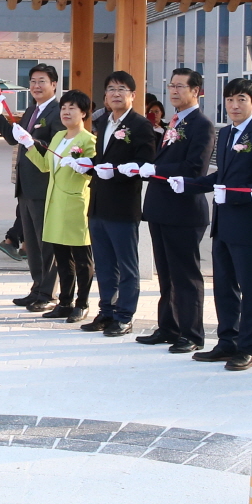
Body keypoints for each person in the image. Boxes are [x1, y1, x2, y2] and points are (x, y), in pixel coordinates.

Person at [187, 76, 252, 369]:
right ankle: (227, 340)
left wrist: (235, 197)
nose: (235, 105)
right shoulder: (225, 134)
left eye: (241, 100)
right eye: (230, 100)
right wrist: (191, 184)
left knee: (249, 286)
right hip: (223, 223)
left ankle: (248, 346)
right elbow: (221, 178)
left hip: (248, 224)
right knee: (224, 284)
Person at [135, 68, 215, 353]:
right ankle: (168, 326)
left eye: (181, 86)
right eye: (172, 86)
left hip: (183, 211)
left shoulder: (201, 125)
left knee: (186, 274)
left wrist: (155, 169)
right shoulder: (174, 123)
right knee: (166, 273)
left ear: (196, 91)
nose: (174, 91)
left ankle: (191, 333)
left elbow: (195, 168)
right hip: (161, 209)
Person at [84, 71, 157, 338]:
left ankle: (124, 314)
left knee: (126, 264)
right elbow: (101, 157)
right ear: (105, 95)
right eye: (111, 89)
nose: (116, 93)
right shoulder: (103, 122)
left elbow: (145, 163)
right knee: (103, 263)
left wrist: (115, 170)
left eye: (122, 89)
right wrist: (87, 165)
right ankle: (106, 311)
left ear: (133, 95)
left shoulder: (140, 125)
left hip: (123, 205)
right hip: (98, 203)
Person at [23, 88, 96, 323]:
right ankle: (65, 301)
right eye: (63, 107)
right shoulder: (58, 137)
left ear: (83, 113)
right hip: (55, 205)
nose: (66, 111)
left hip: (75, 205)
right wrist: (29, 146)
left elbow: (92, 172)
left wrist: (83, 166)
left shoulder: (88, 140)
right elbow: (46, 165)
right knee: (62, 258)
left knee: (81, 258)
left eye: (72, 108)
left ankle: (82, 303)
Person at [6, 64, 63, 312]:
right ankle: (37, 287)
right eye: (32, 81)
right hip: (25, 187)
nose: (36, 86)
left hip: (44, 185)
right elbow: (13, 138)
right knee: (30, 240)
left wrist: (34, 141)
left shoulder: (57, 111)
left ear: (54, 85)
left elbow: (55, 146)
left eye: (42, 81)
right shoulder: (31, 109)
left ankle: (49, 292)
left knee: (45, 242)